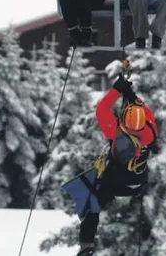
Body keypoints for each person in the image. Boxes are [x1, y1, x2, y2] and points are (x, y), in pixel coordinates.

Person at [62, 74, 158, 256]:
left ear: (124, 119)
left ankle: (86, 245)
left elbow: (102, 108)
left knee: (91, 202)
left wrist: (117, 90)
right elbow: (148, 115)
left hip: (113, 183)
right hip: (136, 184)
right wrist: (132, 97)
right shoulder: (149, 134)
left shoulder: (114, 130)